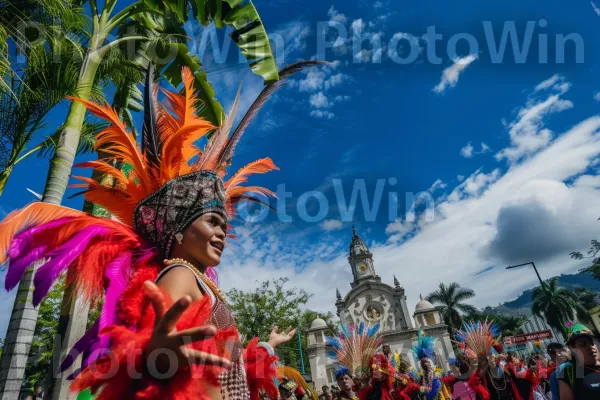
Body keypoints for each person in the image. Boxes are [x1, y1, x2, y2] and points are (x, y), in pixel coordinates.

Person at [0, 63, 320, 399]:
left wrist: (266, 347)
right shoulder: (180, 274)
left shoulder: (200, 280)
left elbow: (229, 368)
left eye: (225, 225)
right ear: (178, 230)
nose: (223, 232)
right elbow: (146, 349)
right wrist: (154, 352)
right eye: (212, 221)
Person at [559, 323, 600, 399]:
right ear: (572, 348)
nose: (590, 347)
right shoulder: (569, 373)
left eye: (591, 343)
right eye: (583, 344)